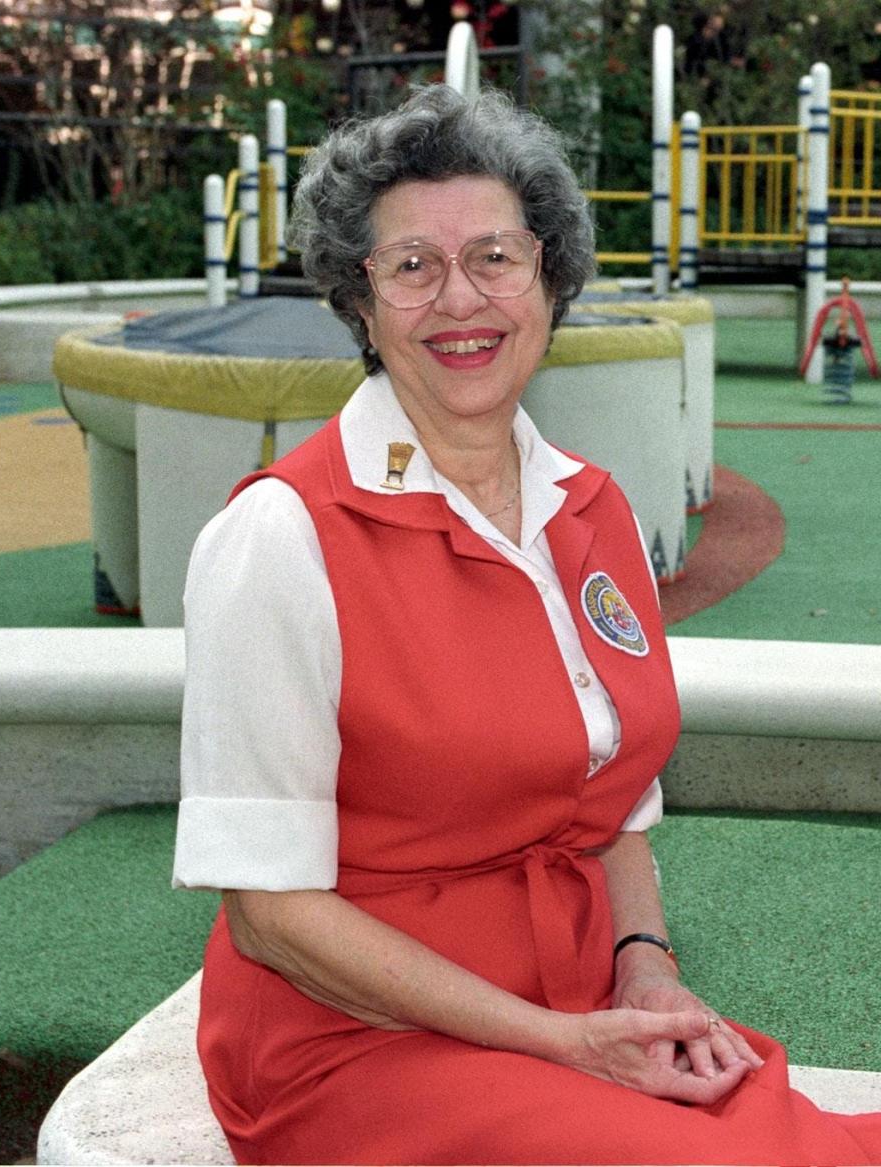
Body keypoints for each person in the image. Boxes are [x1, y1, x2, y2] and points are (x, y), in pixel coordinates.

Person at [173, 86, 881, 1165]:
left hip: (578, 1000)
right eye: (411, 266)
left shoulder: (589, 507)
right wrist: (564, 1043)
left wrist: (643, 963)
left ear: (550, 277)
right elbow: (273, 915)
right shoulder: (282, 537)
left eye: (497, 257)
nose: (461, 299)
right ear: (357, 304)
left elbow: (614, 801)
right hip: (359, 1045)